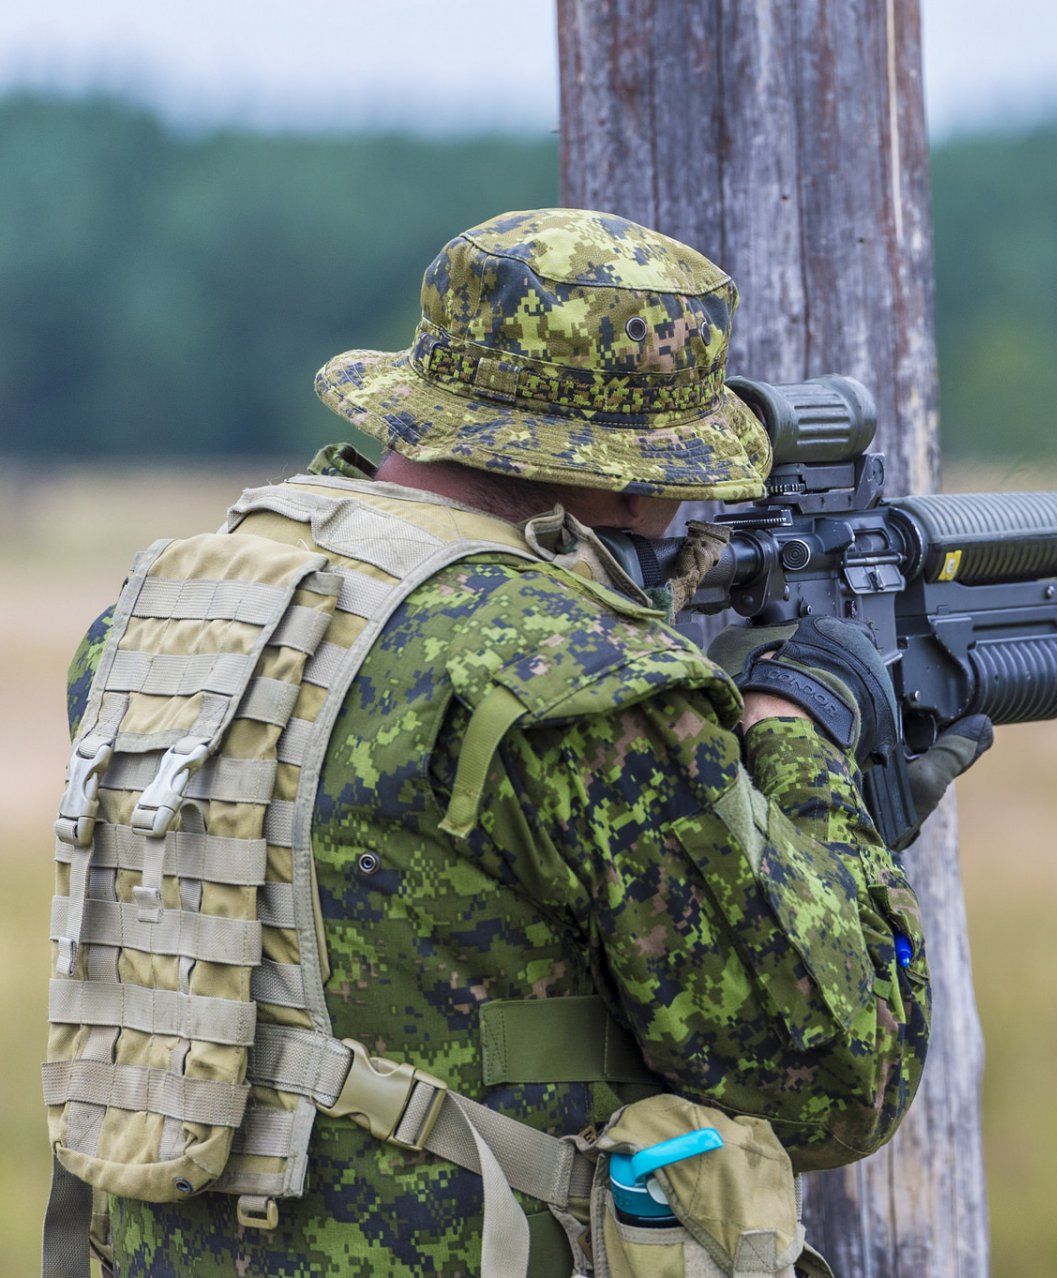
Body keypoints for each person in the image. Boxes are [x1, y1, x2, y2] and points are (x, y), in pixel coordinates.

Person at [45, 208, 985, 1277]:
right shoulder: (575, 674)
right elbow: (832, 1080)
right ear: (627, 475)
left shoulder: (178, 606)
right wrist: (798, 745)